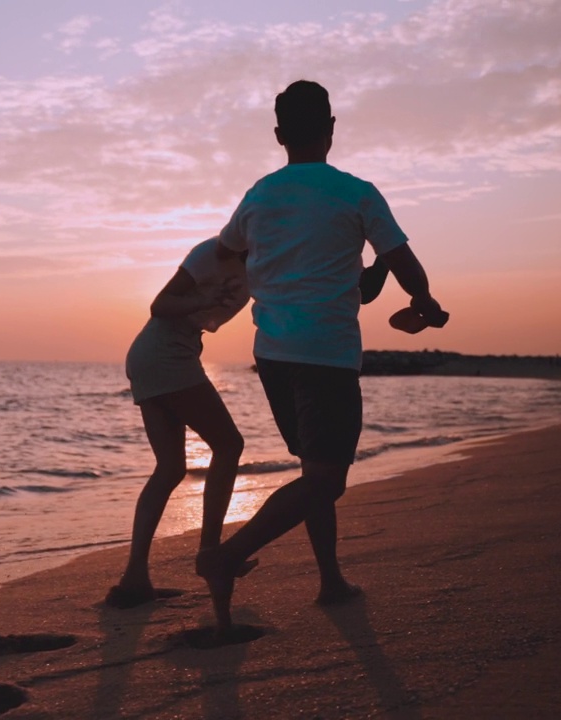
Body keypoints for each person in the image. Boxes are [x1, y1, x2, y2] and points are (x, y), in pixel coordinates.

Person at [198, 80, 449, 641]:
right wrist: (425, 303)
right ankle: (224, 556)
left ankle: (331, 580)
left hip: (273, 356)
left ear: (280, 134)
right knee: (326, 480)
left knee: (315, 471)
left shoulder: (260, 194)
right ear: (331, 129)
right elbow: (404, 260)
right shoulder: (355, 192)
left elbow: (225, 250)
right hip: (326, 356)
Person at [106, 237, 256, 609]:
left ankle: (134, 578)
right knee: (229, 445)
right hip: (164, 354)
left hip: (162, 355)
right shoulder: (210, 254)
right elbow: (160, 305)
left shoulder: (264, 265)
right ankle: (210, 554)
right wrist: (205, 300)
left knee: (171, 468)